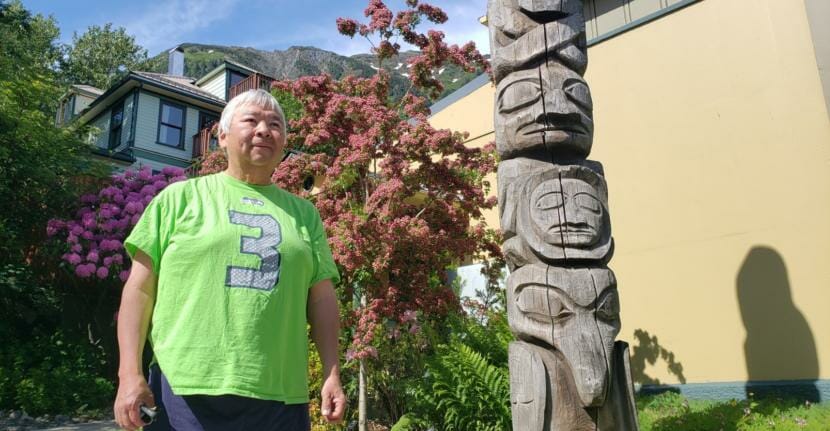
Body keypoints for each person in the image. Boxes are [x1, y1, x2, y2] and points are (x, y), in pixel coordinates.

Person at [113, 89, 346, 430]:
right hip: (184, 390)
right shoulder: (178, 199)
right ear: (221, 136)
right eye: (251, 120)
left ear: (284, 143)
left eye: (275, 124)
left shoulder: (304, 214)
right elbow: (140, 290)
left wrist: (331, 372)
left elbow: (322, 298)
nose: (264, 130)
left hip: (280, 395)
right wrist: (129, 374)